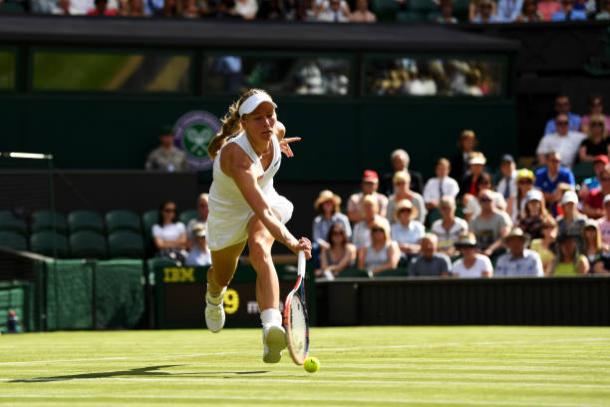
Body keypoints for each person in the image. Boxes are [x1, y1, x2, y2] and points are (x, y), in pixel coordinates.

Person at [203, 89, 312, 364]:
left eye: (270, 116)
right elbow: (261, 211)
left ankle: (271, 326)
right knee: (222, 276)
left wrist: (278, 141)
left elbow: (264, 209)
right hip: (229, 215)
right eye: (257, 118)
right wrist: (290, 240)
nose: (267, 123)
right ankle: (213, 297)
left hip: (265, 198)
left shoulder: (276, 131)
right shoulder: (236, 158)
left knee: (260, 246)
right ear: (243, 124)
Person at [469, 190, 511, 257]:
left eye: (488, 199)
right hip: (479, 253)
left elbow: (505, 237)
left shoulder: (502, 217)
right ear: (479, 202)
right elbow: (471, 237)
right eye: (483, 200)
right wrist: (477, 249)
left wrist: (491, 249)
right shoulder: (474, 220)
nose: (486, 202)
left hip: (499, 253)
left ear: (493, 200)